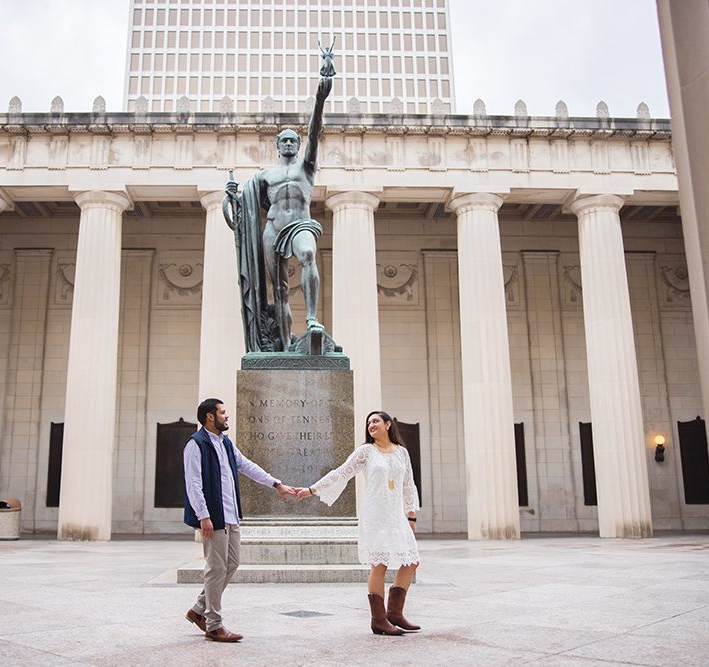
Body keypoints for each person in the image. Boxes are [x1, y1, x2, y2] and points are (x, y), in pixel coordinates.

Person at [222, 49, 335, 352]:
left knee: (308, 255)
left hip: (299, 225)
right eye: (283, 140)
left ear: (299, 147)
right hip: (273, 228)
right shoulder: (265, 176)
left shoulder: (305, 168)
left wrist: (321, 96)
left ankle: (312, 319)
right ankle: (285, 345)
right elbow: (246, 209)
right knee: (279, 292)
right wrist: (232, 196)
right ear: (276, 146)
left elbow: (314, 131)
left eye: (292, 141)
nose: (288, 144)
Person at [183, 398, 298, 642]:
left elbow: (247, 466)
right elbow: (193, 483)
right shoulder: (196, 444)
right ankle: (214, 624)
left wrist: (276, 484)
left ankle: (197, 609)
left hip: (231, 515)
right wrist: (203, 516)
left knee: (232, 563)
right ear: (210, 417)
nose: (227, 416)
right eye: (223, 412)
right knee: (216, 569)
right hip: (213, 517)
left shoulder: (225, 443)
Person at [296, 411, 421, 636]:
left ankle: (394, 613)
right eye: (369, 422)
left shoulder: (402, 452)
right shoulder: (365, 452)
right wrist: (312, 489)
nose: (371, 425)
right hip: (375, 515)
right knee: (379, 564)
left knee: (411, 562)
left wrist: (411, 515)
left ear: (388, 425)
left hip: (395, 515)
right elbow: (341, 473)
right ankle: (379, 619)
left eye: (375, 421)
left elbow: (408, 484)